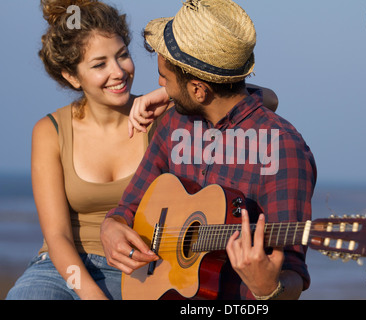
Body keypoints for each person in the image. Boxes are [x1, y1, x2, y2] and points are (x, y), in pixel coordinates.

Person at [6, 0, 278, 301]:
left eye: (122, 56)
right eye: (100, 64)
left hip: (140, 271)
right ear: (71, 76)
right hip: (62, 271)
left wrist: (170, 93)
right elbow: (57, 238)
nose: (118, 71)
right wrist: (93, 297)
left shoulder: (164, 117)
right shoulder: (50, 131)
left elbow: (267, 100)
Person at [101, 0, 317, 300]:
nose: (159, 84)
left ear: (199, 90)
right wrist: (112, 226)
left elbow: (293, 275)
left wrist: (269, 289)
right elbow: (129, 207)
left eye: (165, 77)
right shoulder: (174, 124)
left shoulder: (282, 149)